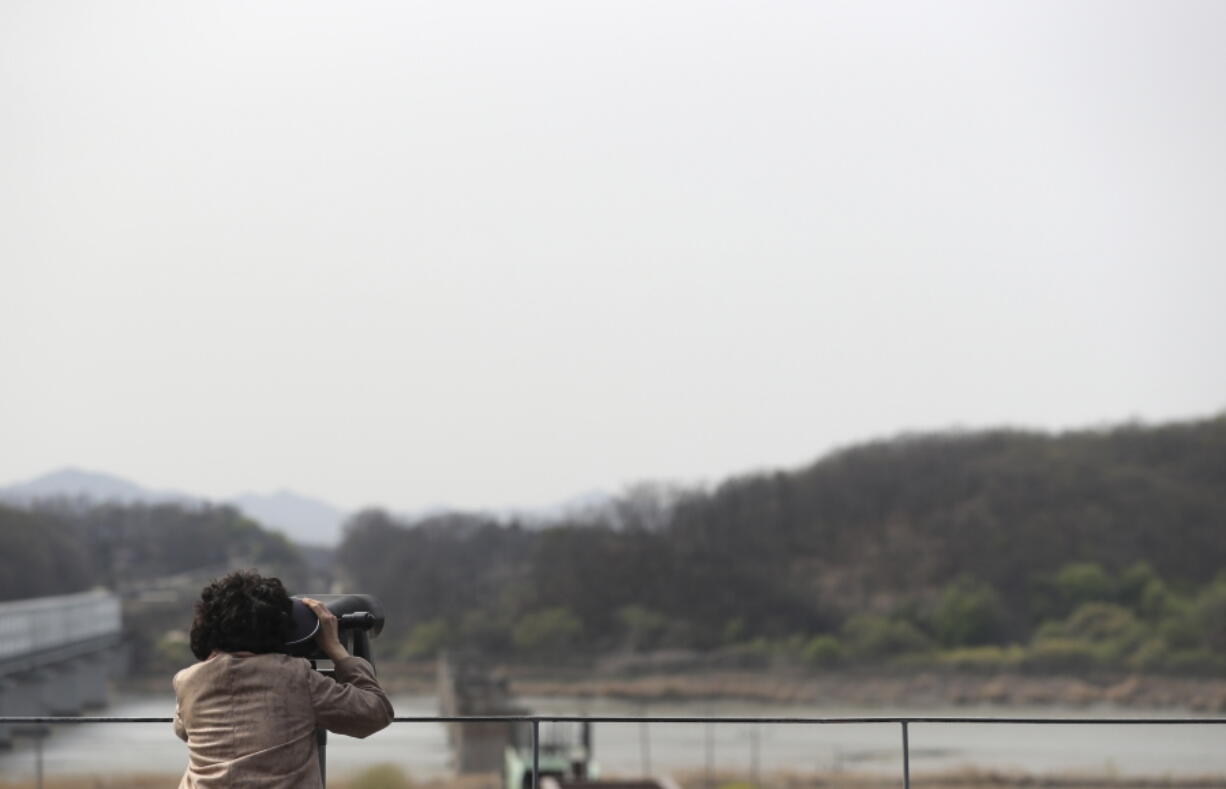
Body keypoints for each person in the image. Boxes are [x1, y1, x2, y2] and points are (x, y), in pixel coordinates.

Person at [173, 570, 394, 788]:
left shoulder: (188, 681)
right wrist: (337, 651)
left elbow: (182, 729)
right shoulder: (295, 677)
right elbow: (374, 713)